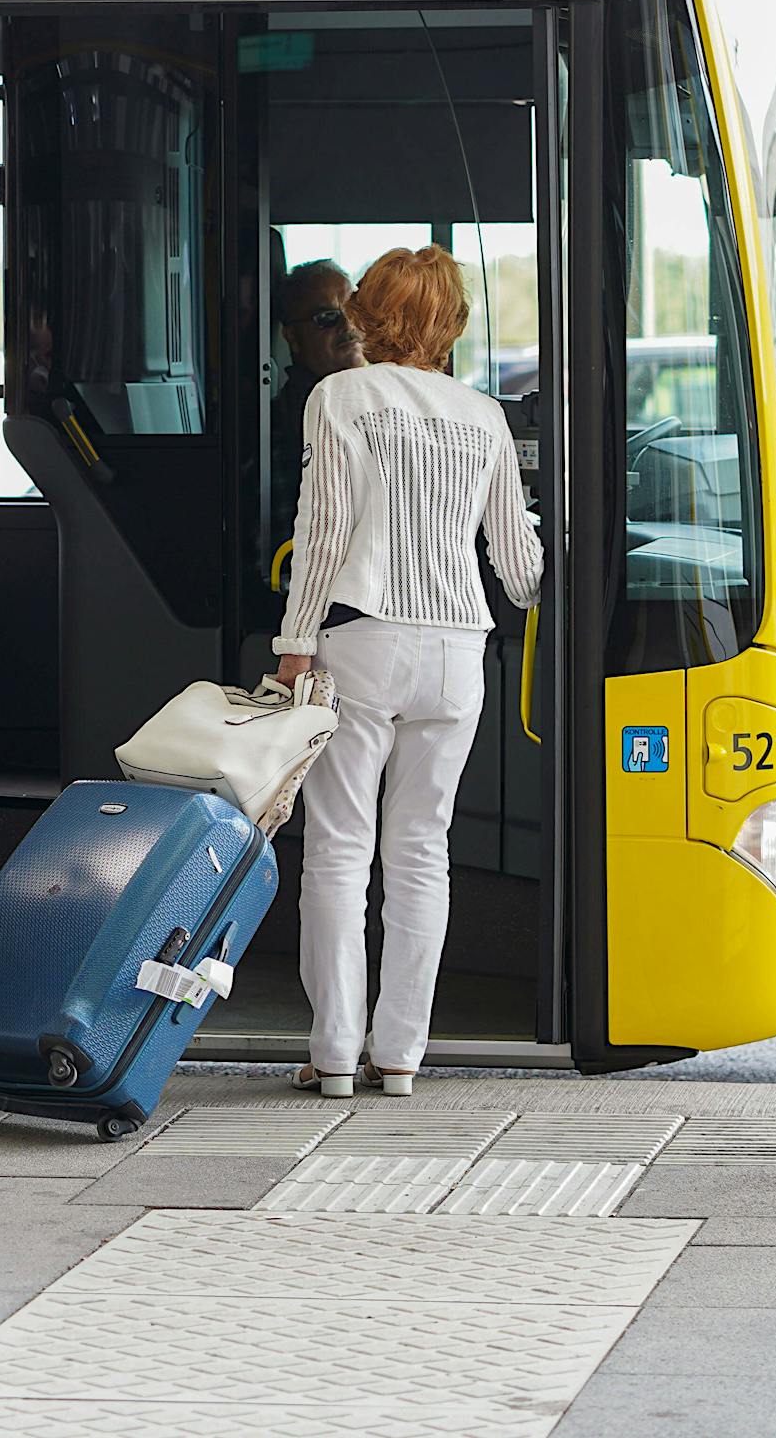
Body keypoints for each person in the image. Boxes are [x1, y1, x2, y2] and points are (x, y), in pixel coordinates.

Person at [273, 245, 542, 1099]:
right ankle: (399, 1055)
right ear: (450, 324)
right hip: (460, 651)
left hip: (365, 640)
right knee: (424, 850)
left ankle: (334, 1053)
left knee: (339, 850)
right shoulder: (484, 415)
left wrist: (293, 643)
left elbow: (321, 534)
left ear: (367, 314)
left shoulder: (340, 397)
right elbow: (521, 570)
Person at [269, 260, 366, 547]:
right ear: (292, 337)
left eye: (353, 310)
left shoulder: (375, 404)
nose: (348, 325)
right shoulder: (283, 425)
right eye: (327, 317)